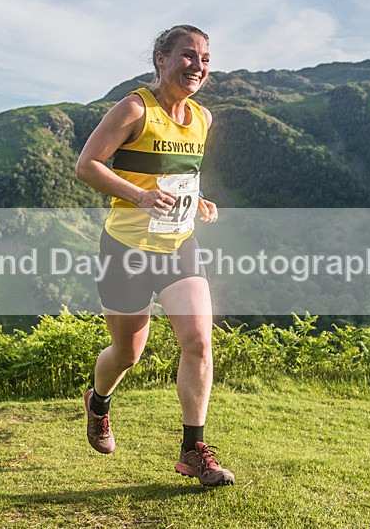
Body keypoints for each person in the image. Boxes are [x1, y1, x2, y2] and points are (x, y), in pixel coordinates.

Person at [75, 24, 234, 487]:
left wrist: (196, 200)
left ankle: (193, 450)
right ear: (161, 59)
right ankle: (99, 402)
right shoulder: (134, 107)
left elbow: (180, 172)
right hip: (125, 250)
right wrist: (140, 197)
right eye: (188, 56)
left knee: (199, 342)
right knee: (127, 353)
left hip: (178, 245)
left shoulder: (202, 118)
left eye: (205, 58)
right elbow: (88, 166)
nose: (198, 66)